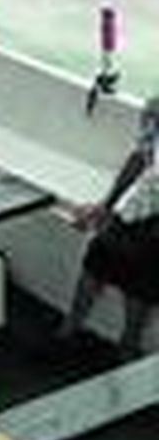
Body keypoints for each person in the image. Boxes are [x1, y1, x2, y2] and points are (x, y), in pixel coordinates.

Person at [60, 95, 158, 356]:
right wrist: (106, 205)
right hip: (146, 202)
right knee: (100, 251)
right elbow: (141, 157)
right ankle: (69, 331)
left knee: (145, 267)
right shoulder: (156, 107)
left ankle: (128, 347)